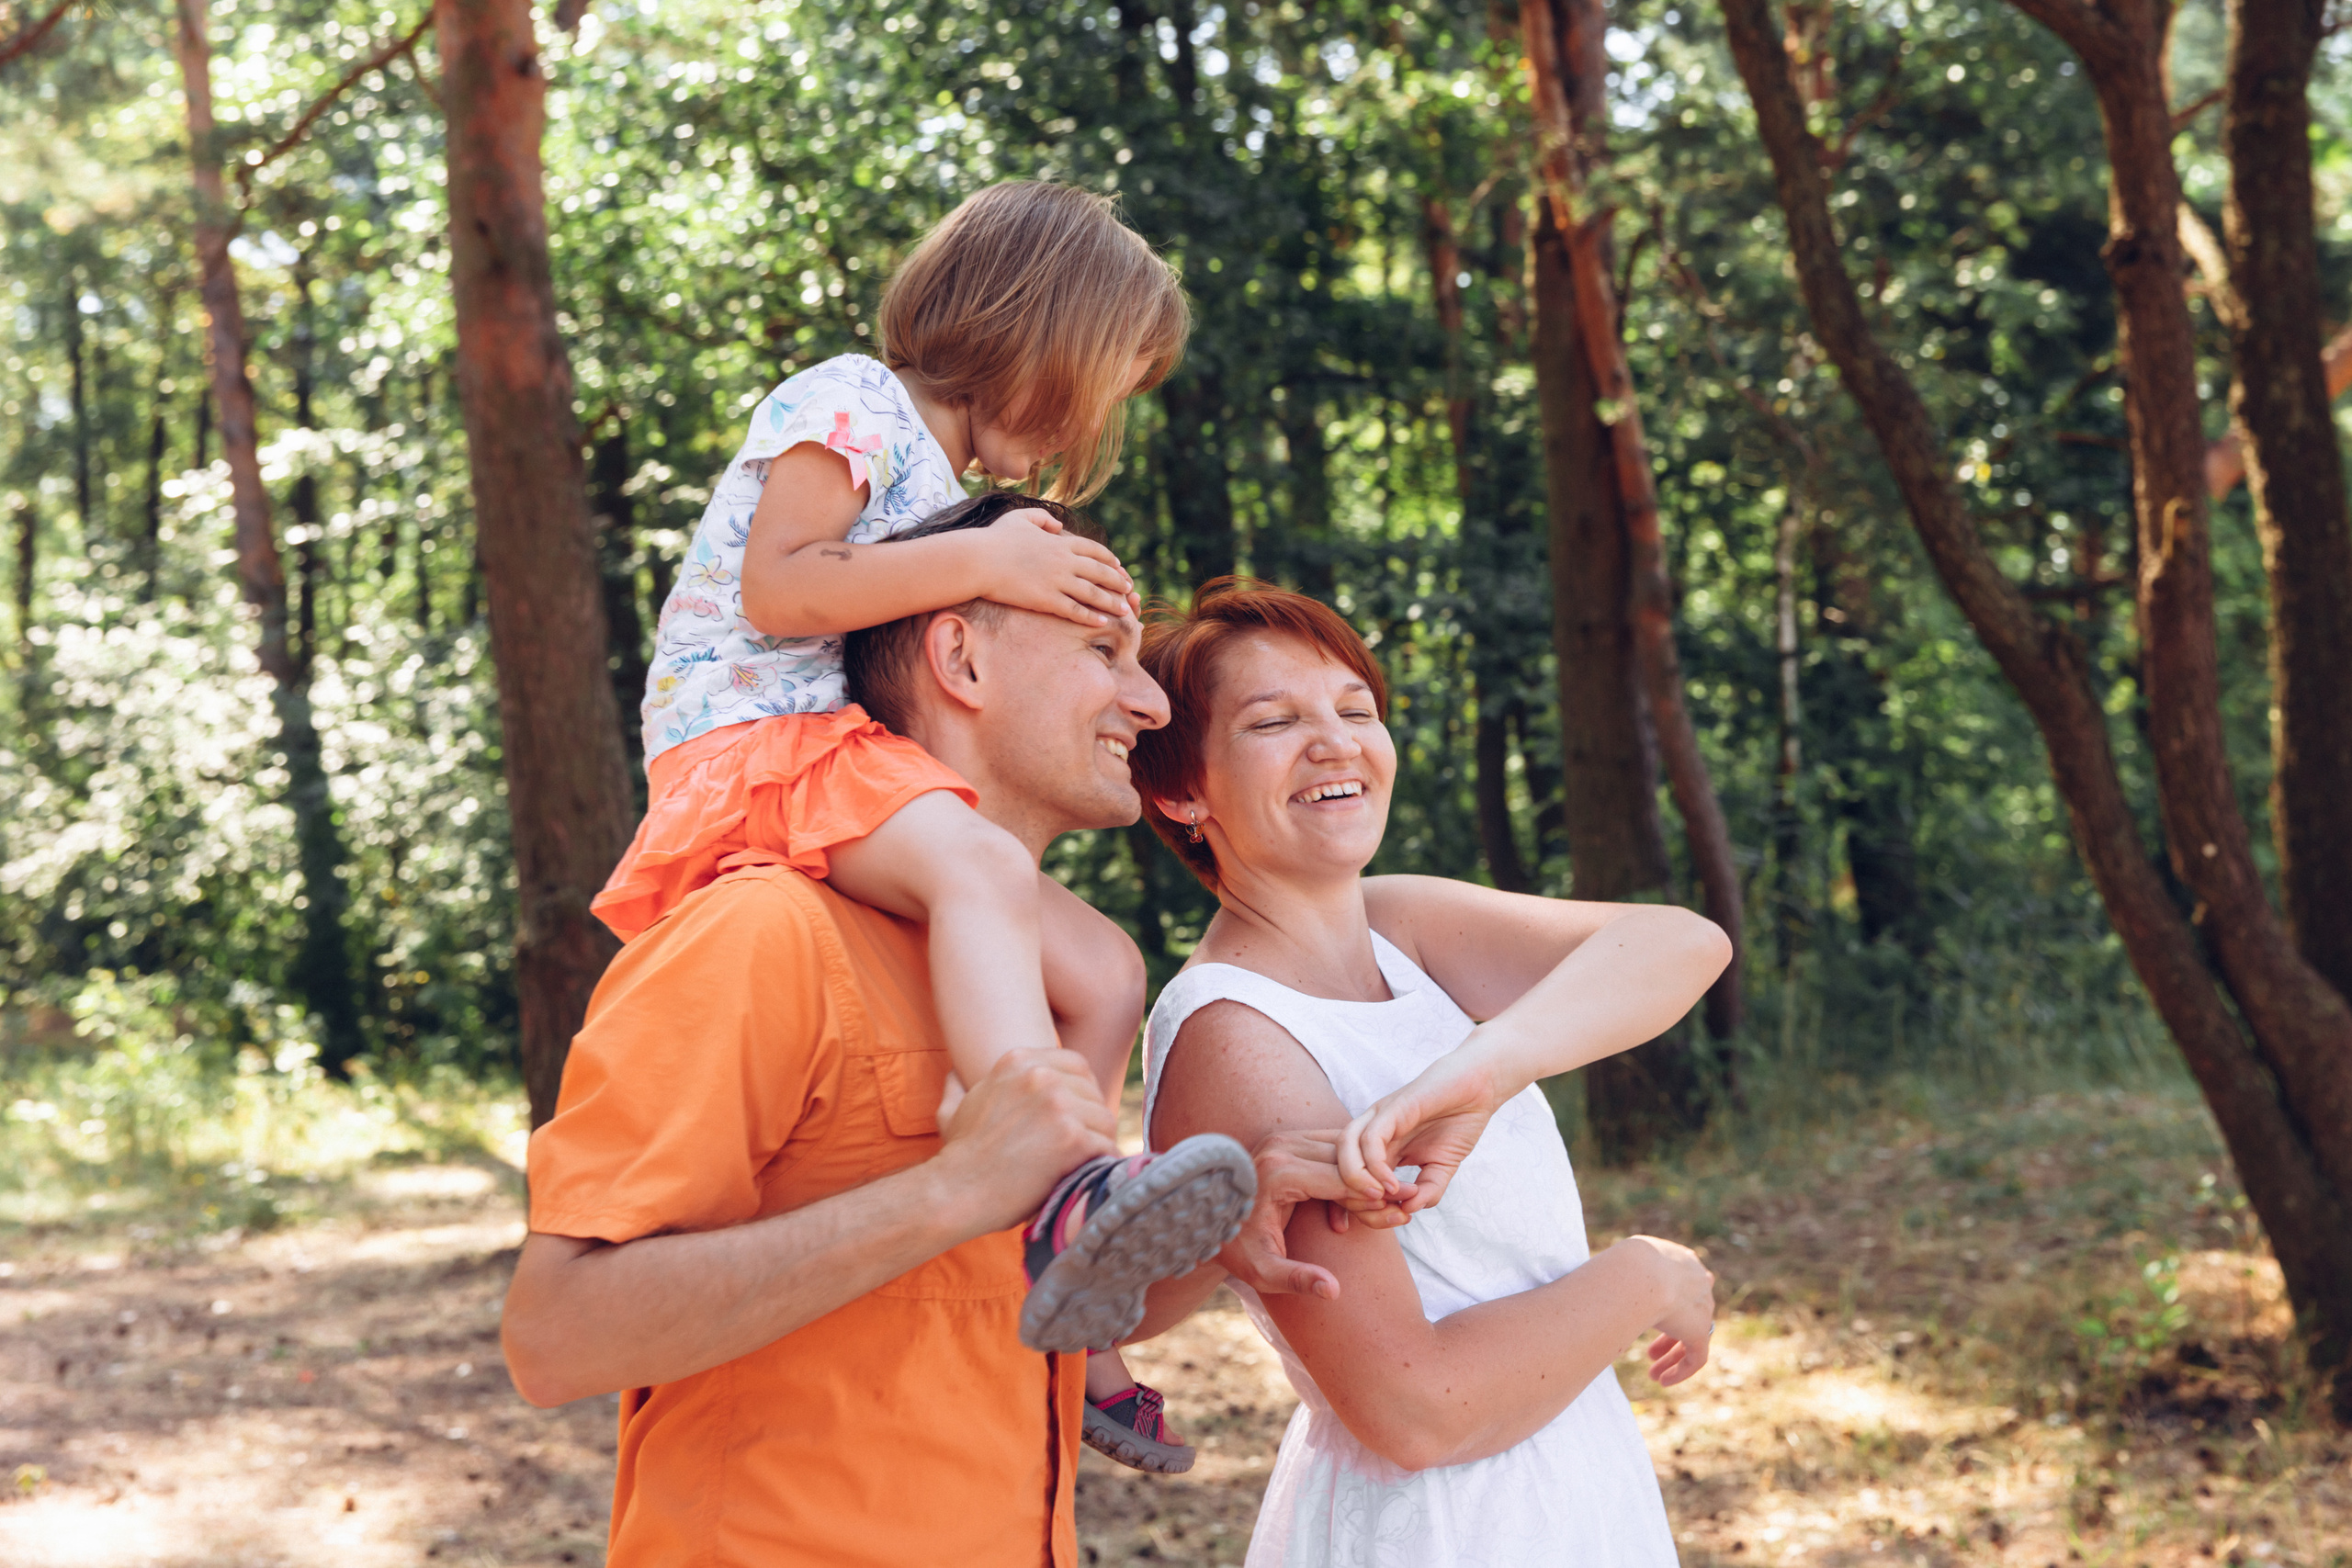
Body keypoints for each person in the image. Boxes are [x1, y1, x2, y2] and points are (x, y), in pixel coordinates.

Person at [502, 549, 1399, 1566]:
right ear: (961, 661)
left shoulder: (1060, 983)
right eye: (1101, 651)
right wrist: (953, 1190)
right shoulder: (763, 932)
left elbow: (999, 1299)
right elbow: (555, 1335)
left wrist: (1215, 1241)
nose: (1149, 702)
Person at [589, 181, 1237, 1435]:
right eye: (1096, 395)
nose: (1086, 434)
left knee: (1105, 969)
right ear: (1040, 339)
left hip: (836, 750)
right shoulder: (850, 401)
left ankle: (1079, 1260)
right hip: (753, 743)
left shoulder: (932, 469)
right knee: (981, 869)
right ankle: (1037, 1151)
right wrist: (988, 558)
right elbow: (781, 587)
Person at [1122, 580, 1732, 1566]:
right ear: (1180, 792)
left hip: (1566, 1481)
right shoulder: (1235, 1034)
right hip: (1446, 1525)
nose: (1335, 743)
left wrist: (1484, 1069)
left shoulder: (1396, 926)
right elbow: (1417, 1410)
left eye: (1355, 709)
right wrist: (1644, 1276)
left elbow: (1684, 944)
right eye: (1274, 721)